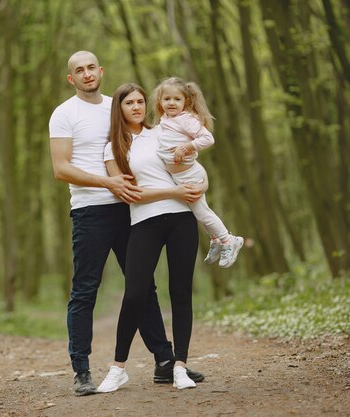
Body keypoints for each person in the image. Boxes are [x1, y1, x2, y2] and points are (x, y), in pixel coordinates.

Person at [48, 52, 204, 396]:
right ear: (70, 78)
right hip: (90, 211)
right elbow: (60, 168)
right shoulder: (64, 114)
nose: (87, 74)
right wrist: (109, 183)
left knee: (142, 287)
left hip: (133, 209)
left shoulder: (118, 104)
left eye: (91, 67)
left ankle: (165, 361)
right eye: (79, 70)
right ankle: (82, 370)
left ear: (100, 71)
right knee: (85, 289)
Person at [96, 83, 207, 392]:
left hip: (182, 219)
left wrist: (193, 180)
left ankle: (179, 366)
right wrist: (174, 191)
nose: (136, 107)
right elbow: (130, 194)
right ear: (119, 108)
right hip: (144, 222)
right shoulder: (112, 148)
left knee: (181, 292)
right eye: (129, 102)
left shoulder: (162, 132)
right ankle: (118, 368)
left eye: (141, 101)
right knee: (135, 293)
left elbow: (191, 156)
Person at [152, 77, 243, 268]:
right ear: (160, 101)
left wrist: (185, 148)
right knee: (199, 212)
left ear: (186, 101)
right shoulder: (166, 120)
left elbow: (208, 138)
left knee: (202, 213)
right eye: (167, 99)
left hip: (189, 176)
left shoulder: (186, 119)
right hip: (179, 176)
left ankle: (228, 240)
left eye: (177, 99)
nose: (171, 103)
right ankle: (217, 239)